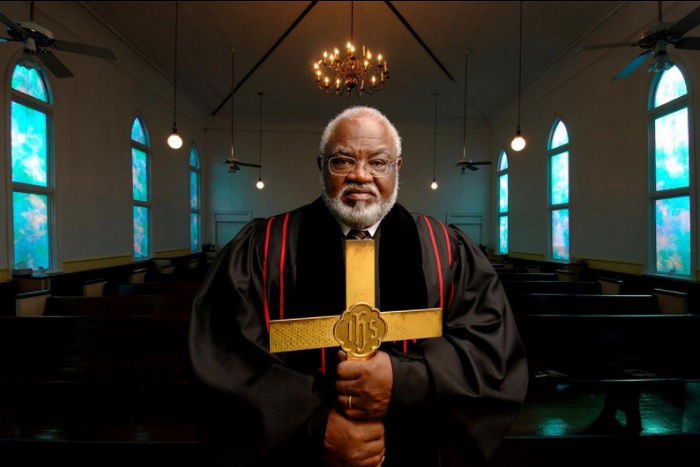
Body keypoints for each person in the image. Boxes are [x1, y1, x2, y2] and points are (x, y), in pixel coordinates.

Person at [189, 106, 527, 466]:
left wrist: (406, 378)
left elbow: (491, 351)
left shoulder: (446, 249)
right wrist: (317, 425)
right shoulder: (263, 247)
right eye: (343, 161)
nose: (361, 176)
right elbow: (224, 356)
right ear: (321, 166)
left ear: (398, 168)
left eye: (378, 162)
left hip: (415, 451)